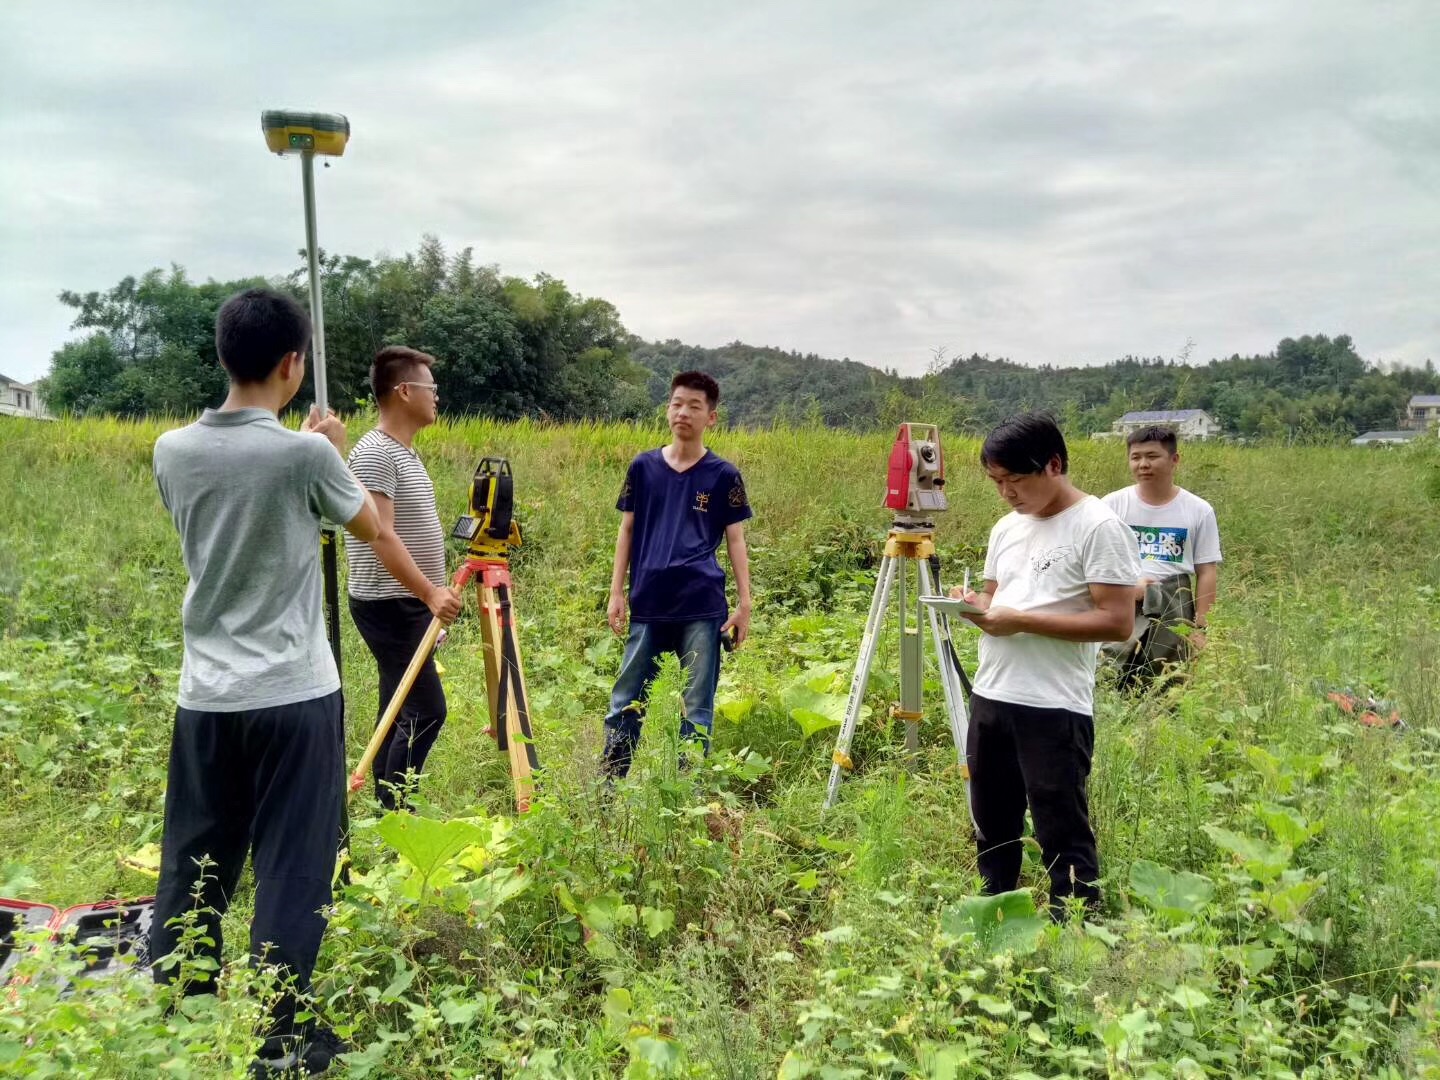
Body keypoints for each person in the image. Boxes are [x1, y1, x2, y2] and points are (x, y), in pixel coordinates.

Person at [149, 288, 380, 1077]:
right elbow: (365, 524)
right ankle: (283, 1038)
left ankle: (181, 1012)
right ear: (292, 365)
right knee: (292, 860)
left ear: (224, 355)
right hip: (293, 691)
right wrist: (332, 450)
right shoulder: (306, 456)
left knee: (194, 854)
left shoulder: (171, 450)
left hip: (206, 694)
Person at [951, 413, 1140, 915]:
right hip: (993, 693)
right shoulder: (1006, 527)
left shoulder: (1098, 526)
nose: (1006, 493)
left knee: (1060, 823)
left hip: (1053, 704)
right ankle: (995, 912)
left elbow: (1117, 622)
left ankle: (1075, 926)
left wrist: (1021, 621)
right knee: (991, 819)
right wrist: (972, 605)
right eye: (996, 481)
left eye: (1015, 479)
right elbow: (994, 597)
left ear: (1053, 464)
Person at [599, 371, 754, 778]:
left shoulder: (723, 475)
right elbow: (627, 530)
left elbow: (736, 539)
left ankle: (687, 795)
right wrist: (616, 592)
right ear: (668, 409)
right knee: (626, 701)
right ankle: (607, 789)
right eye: (677, 404)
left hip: (701, 605)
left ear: (711, 418)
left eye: (694, 406)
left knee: (696, 707)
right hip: (648, 600)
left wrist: (744, 604)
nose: (683, 412)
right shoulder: (643, 467)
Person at [347, 346, 462, 810]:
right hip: (389, 603)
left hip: (406, 602)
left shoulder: (402, 452)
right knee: (427, 710)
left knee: (397, 703)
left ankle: (385, 801)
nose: (437, 396)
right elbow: (380, 535)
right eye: (431, 388)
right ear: (404, 391)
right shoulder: (375, 453)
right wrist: (430, 593)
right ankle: (397, 808)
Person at [1102, 425, 1222, 689]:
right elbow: (1097, 562)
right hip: (1124, 596)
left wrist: (1201, 629)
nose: (1143, 464)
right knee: (1107, 675)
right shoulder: (1111, 505)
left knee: (1165, 684)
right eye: (1136, 457)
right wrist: (1127, 590)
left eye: (1152, 456)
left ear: (1174, 459)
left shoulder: (1198, 510)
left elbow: (1206, 571)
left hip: (1173, 600)